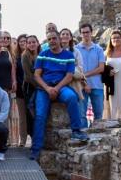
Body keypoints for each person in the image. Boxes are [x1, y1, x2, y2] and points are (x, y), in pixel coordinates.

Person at [29, 32, 88, 161]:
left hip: (61, 87)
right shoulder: (43, 55)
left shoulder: (68, 55)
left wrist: (56, 88)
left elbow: (69, 75)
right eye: (49, 39)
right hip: (44, 88)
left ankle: (76, 130)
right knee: (40, 115)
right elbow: (37, 75)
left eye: (54, 38)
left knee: (72, 97)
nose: (52, 41)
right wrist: (48, 88)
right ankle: (36, 149)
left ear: (59, 39)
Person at [76, 23, 106, 125]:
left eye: (87, 32)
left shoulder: (99, 49)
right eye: (83, 32)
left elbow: (101, 68)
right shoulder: (76, 50)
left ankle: (98, 138)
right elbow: (75, 69)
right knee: (81, 115)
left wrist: (85, 75)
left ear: (91, 33)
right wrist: (84, 81)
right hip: (80, 86)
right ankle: (84, 138)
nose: (85, 34)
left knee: (98, 115)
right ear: (80, 34)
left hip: (96, 85)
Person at [21, 35, 41, 140]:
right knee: (31, 112)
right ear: (26, 44)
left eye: (34, 42)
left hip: (40, 86)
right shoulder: (25, 55)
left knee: (39, 112)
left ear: (37, 43)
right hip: (30, 87)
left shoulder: (41, 54)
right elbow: (28, 76)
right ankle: (33, 137)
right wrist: (41, 86)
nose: (32, 44)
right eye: (29, 42)